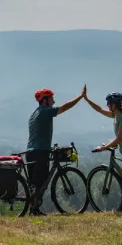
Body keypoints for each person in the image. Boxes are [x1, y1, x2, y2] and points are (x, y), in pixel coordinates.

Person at [26, 84, 86, 215]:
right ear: (44, 100)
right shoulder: (46, 112)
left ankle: (33, 209)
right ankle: (34, 210)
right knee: (40, 181)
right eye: (51, 98)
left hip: (30, 151)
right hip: (40, 152)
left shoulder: (34, 113)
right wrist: (80, 97)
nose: (54, 101)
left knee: (34, 183)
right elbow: (64, 107)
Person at [84, 91, 122, 213]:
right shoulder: (116, 116)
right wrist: (87, 99)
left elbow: (120, 137)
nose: (107, 105)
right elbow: (99, 109)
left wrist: (104, 148)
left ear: (115, 104)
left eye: (109, 103)